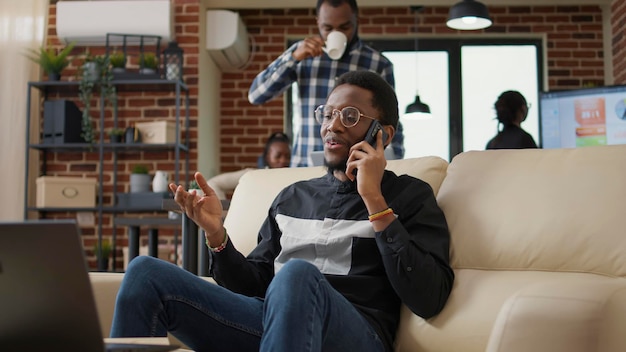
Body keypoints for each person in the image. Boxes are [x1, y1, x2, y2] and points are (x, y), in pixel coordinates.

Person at [110, 70, 454, 352]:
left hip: (356, 335)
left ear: (383, 134)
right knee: (145, 273)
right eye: (329, 113)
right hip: (272, 323)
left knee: (295, 275)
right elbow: (252, 285)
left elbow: (428, 298)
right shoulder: (291, 197)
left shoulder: (409, 195)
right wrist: (217, 234)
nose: (333, 125)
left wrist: (374, 201)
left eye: (350, 117)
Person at [248, 0, 405, 167]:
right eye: (328, 28)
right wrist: (293, 59)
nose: (336, 33)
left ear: (356, 20)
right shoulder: (301, 55)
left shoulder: (378, 64)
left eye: (344, 27)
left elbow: (390, 119)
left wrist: (394, 164)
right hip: (305, 164)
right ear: (318, 22)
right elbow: (256, 95)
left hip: (354, 167)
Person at [206, 132, 291, 199]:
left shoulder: (293, 178)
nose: (283, 160)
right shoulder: (253, 175)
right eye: (278, 156)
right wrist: (223, 212)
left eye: (287, 156)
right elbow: (213, 183)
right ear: (268, 156)